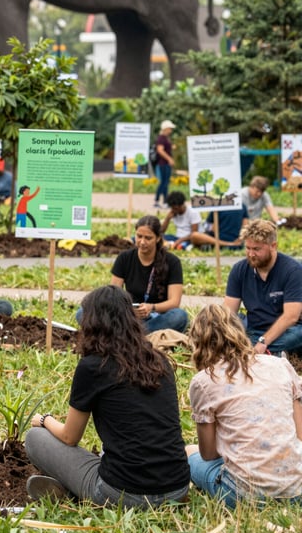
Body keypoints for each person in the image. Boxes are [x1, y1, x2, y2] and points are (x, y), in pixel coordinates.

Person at [25, 285, 190, 508]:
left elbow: (69, 437)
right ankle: (66, 486)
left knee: (35, 437)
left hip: (124, 493)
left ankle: (67, 489)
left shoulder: (93, 366)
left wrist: (45, 420)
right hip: (177, 488)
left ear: (91, 323)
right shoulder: (159, 360)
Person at [186, 303, 302, 508]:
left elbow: (209, 454)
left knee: (189, 453)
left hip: (243, 494)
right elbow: (300, 435)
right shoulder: (279, 364)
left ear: (198, 342)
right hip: (296, 488)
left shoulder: (203, 381)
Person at [223, 219, 302, 355]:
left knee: (297, 334)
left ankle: (254, 349)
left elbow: (291, 317)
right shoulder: (239, 270)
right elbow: (228, 311)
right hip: (254, 329)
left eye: (256, 249)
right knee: (234, 323)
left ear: (273, 246)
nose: (251, 254)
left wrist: (263, 342)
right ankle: (269, 352)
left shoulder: (292, 270)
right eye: (248, 248)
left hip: (286, 331)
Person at [102, 215, 188, 333]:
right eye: (139, 236)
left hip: (156, 317)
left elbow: (174, 302)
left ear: (158, 238)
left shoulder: (172, 262)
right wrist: (129, 310)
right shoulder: (124, 258)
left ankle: (130, 334)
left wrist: (151, 307)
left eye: (148, 238)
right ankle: (135, 334)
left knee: (179, 316)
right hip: (127, 316)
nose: (142, 242)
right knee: (83, 312)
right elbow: (114, 294)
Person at [153, 120, 176, 209]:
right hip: (163, 163)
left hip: (165, 163)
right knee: (163, 182)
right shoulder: (161, 138)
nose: (171, 130)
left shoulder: (165, 138)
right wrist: (169, 159)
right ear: (166, 128)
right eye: (170, 128)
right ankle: (157, 200)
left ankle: (165, 201)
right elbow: (160, 150)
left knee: (165, 182)